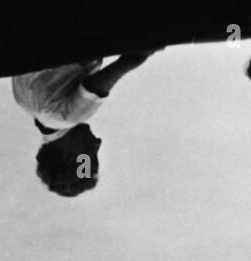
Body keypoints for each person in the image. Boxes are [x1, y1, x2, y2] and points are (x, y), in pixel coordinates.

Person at [12, 49, 157, 197]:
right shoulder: (23, 101)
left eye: (90, 157)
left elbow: (129, 61)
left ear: (67, 156)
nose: (97, 143)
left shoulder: (68, 117)